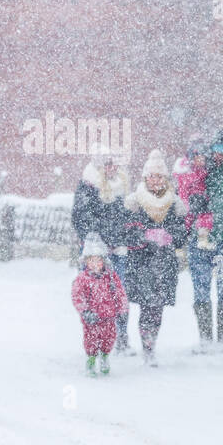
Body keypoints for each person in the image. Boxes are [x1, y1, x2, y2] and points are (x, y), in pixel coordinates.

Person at [121, 151, 189, 367]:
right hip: (141, 263)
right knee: (145, 306)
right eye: (152, 176)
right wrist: (146, 236)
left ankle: (151, 346)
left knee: (156, 308)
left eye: (160, 176)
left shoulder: (175, 204)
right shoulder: (134, 203)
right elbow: (126, 233)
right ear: (145, 178)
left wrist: (170, 236)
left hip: (164, 264)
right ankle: (144, 348)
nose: (156, 180)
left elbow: (182, 233)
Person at [70, 149, 132, 351]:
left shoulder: (121, 185)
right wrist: (103, 234)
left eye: (114, 164)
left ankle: (120, 334)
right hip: (96, 250)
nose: (112, 168)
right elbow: (81, 217)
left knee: (119, 291)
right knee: (93, 295)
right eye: (108, 164)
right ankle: (94, 335)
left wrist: (125, 232)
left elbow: (125, 215)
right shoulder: (88, 186)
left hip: (118, 248)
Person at [191, 129, 223, 352]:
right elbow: (191, 192)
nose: (218, 154)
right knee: (201, 288)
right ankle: (204, 338)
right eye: (215, 150)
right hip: (201, 240)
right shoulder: (204, 171)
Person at [173, 137, 217, 352]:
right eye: (196, 156)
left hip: (213, 237)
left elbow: (216, 204)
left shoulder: (213, 176)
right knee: (200, 287)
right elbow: (183, 209)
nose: (200, 160)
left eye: (203, 156)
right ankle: (205, 337)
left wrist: (205, 215)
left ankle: (221, 338)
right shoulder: (183, 178)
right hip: (194, 238)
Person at [71, 232, 128, 376]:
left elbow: (120, 293)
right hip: (91, 317)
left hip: (109, 316)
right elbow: (77, 296)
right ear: (86, 262)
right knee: (91, 340)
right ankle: (91, 359)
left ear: (104, 261)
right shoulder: (82, 279)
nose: (95, 265)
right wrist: (84, 311)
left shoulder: (111, 277)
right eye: (91, 261)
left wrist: (122, 310)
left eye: (98, 261)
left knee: (108, 338)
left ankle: (104, 356)